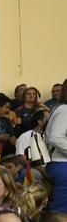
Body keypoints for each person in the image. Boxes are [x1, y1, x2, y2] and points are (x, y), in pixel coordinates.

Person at [46, 79, 67, 212]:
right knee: (62, 211)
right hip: (62, 165)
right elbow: (55, 137)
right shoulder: (65, 110)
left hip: (61, 164)